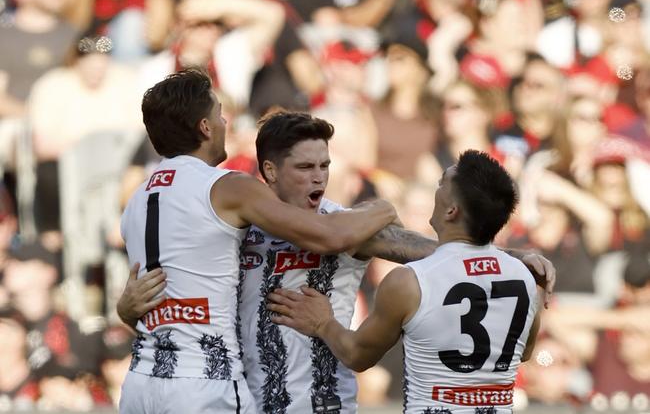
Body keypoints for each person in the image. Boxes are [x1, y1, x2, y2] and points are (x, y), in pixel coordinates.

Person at [119, 112, 555, 413]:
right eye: (305, 166)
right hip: (244, 400)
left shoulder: (349, 227)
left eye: (325, 165)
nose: (319, 177)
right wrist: (127, 308)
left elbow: (441, 254)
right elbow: (179, 294)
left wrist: (511, 257)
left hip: (321, 403)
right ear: (269, 172)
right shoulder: (236, 228)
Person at [117, 70, 397, 414]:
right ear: (205, 127)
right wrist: (382, 206)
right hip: (204, 385)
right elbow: (329, 235)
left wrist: (124, 309)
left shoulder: (136, 199)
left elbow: (158, 305)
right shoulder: (228, 187)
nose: (224, 122)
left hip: (140, 381)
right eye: (219, 114)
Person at [269, 150, 544, 413]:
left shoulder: (410, 280)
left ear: (451, 211)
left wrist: (323, 323)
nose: (435, 189)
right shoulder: (525, 278)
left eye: (441, 184)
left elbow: (357, 355)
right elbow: (525, 351)